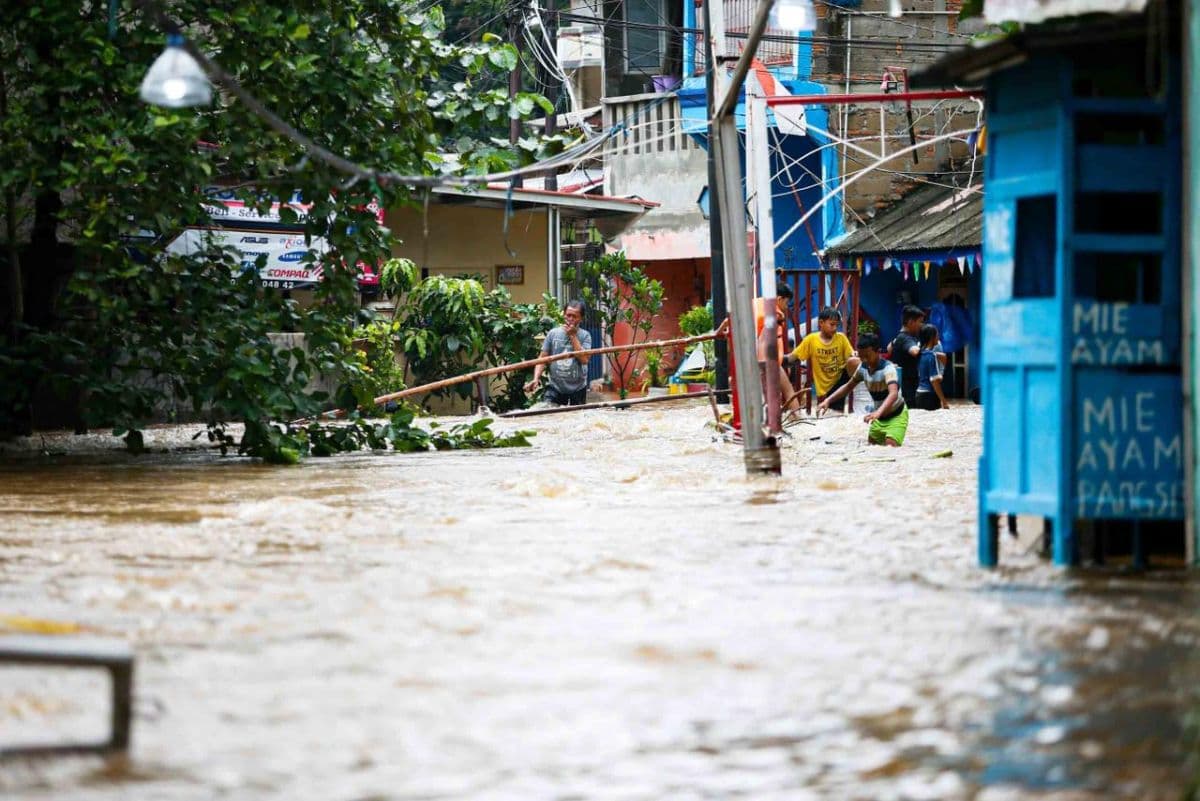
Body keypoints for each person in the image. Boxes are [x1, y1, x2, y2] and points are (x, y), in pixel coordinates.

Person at [817, 332, 908, 447]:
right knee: (872, 446)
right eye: (861, 356)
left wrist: (877, 413)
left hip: (896, 415)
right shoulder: (863, 367)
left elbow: (893, 394)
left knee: (890, 446)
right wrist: (828, 400)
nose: (864, 360)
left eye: (867, 356)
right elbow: (848, 386)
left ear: (878, 351)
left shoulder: (888, 369)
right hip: (879, 417)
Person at [785, 306, 861, 412]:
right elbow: (793, 357)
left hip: (842, 379)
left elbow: (851, 356)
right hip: (826, 387)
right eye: (832, 324)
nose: (835, 328)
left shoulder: (841, 338)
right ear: (821, 323)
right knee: (835, 413)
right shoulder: (811, 340)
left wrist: (855, 354)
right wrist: (777, 359)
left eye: (837, 325)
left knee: (855, 361)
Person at [524, 300, 592, 405]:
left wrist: (572, 336)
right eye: (568, 315)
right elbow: (542, 359)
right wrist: (536, 378)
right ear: (564, 315)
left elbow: (584, 360)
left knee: (577, 418)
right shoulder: (553, 334)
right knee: (550, 415)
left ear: (581, 318)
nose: (571, 319)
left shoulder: (585, 335)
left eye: (575, 316)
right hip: (555, 387)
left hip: (578, 388)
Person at [755, 282, 802, 415]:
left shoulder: (754, 304)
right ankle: (798, 419)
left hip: (748, 360)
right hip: (767, 360)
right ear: (779, 299)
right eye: (787, 303)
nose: (786, 308)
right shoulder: (775, 315)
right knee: (788, 390)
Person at [889, 304, 925, 408]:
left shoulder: (900, 337)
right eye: (920, 322)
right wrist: (927, 343)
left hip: (905, 385)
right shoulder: (906, 338)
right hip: (907, 388)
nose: (921, 325)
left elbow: (889, 348)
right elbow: (914, 351)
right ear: (910, 322)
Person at [914, 323, 949, 411]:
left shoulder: (920, 354)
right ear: (931, 337)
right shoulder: (931, 356)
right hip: (929, 396)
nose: (938, 337)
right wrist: (943, 401)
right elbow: (934, 382)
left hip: (919, 395)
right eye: (937, 334)